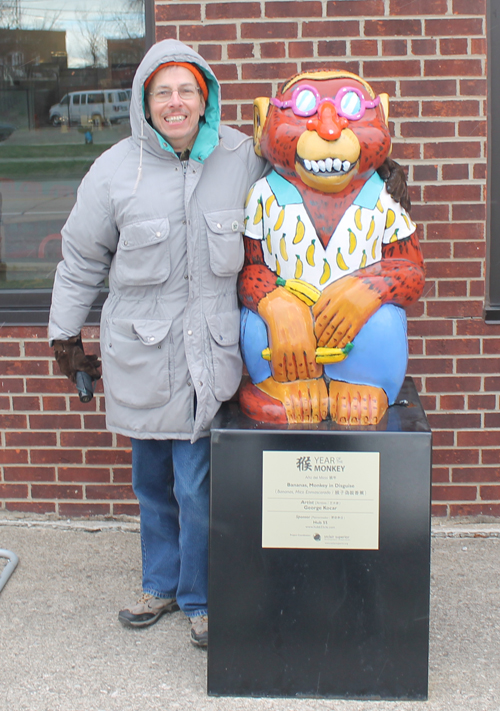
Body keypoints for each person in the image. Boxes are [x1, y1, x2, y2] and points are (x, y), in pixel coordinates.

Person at [49, 39, 409, 648]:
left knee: (195, 481)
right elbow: (82, 258)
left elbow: (299, 176)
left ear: (205, 97)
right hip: (142, 354)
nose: (175, 103)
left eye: (186, 89)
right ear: (145, 102)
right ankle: (157, 584)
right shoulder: (113, 171)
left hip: (207, 355)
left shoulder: (239, 155)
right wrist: (65, 335)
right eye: (162, 92)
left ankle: (199, 597)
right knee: (150, 480)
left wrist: (382, 175)